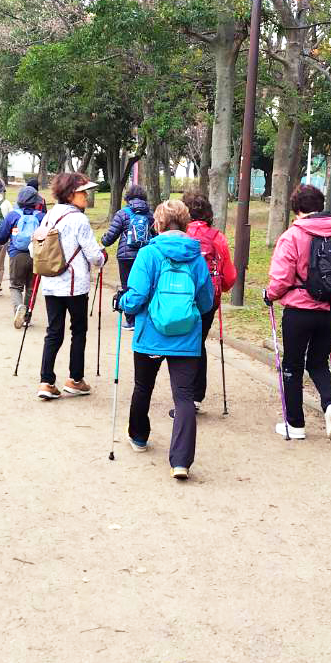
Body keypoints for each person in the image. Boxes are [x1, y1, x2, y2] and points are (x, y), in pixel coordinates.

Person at [118, 199, 214, 480]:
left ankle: (138, 436)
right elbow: (206, 301)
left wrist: (122, 302)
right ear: (185, 224)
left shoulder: (148, 253)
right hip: (186, 336)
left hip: (151, 335)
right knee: (183, 396)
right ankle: (181, 461)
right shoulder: (196, 256)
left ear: (157, 224)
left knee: (143, 386)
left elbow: (136, 297)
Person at [265, 183, 331, 441]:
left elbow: (281, 279)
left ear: (297, 208)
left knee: (292, 364)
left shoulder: (292, 236)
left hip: (299, 311)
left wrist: (269, 295)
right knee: (318, 361)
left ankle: (295, 425)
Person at [36, 172, 106, 400]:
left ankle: (46, 381)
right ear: (70, 194)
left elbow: (34, 247)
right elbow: (94, 255)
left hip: (50, 283)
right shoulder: (79, 219)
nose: (87, 196)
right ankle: (75, 379)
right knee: (78, 331)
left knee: (53, 332)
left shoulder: (49, 215)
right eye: (82, 192)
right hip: (75, 286)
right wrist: (102, 257)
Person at [181, 188, 236, 412]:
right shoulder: (217, 237)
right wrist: (221, 288)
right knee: (198, 342)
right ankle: (195, 396)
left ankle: (183, 393)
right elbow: (229, 275)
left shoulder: (179, 235)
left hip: (179, 296)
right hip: (208, 300)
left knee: (181, 342)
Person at [100, 184, 155, 329]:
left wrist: (103, 241)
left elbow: (110, 237)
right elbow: (156, 234)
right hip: (144, 255)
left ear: (128, 197)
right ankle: (143, 318)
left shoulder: (122, 213)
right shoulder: (150, 214)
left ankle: (130, 320)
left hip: (125, 257)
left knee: (127, 286)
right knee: (145, 286)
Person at [0, 185, 47, 324]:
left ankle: (18, 308)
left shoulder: (13, 215)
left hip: (17, 255)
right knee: (31, 288)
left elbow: (1, 237)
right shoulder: (42, 217)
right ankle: (27, 317)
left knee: (15, 286)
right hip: (36, 256)